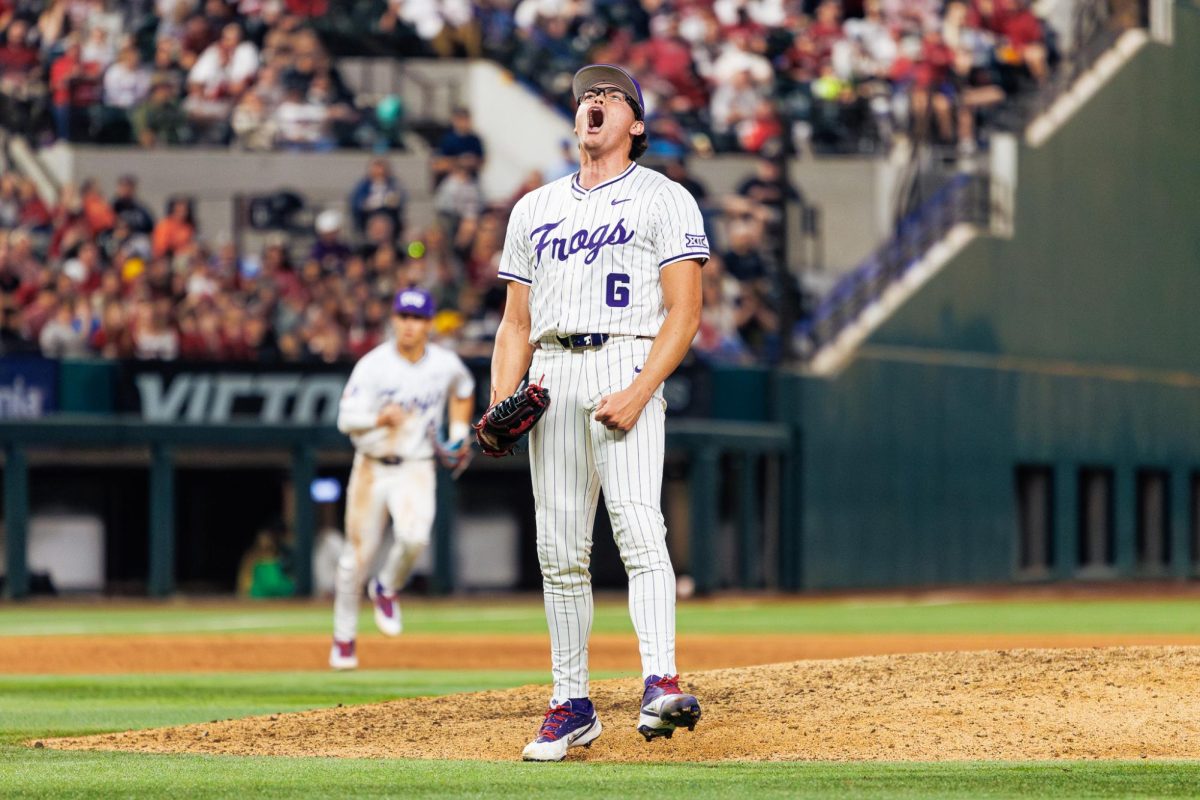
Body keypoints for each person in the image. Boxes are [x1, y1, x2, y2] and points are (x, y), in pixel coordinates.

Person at [486, 64, 706, 762]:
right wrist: (501, 398)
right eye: (587, 96)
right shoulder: (534, 208)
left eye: (611, 97)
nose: (595, 103)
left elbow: (687, 309)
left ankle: (660, 682)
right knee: (559, 554)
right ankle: (570, 704)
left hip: (625, 360)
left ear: (635, 124)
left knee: (640, 529)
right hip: (552, 374)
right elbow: (514, 323)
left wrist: (641, 388)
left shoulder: (664, 198)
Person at [330, 287, 476, 670]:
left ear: (428, 324)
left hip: (416, 465)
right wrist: (379, 419)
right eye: (403, 317)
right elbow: (345, 420)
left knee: (414, 538)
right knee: (353, 560)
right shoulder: (373, 365)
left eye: (417, 319)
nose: (409, 325)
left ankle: (386, 586)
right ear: (394, 320)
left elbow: (464, 389)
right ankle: (344, 639)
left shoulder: (444, 364)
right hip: (372, 466)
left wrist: (459, 431)